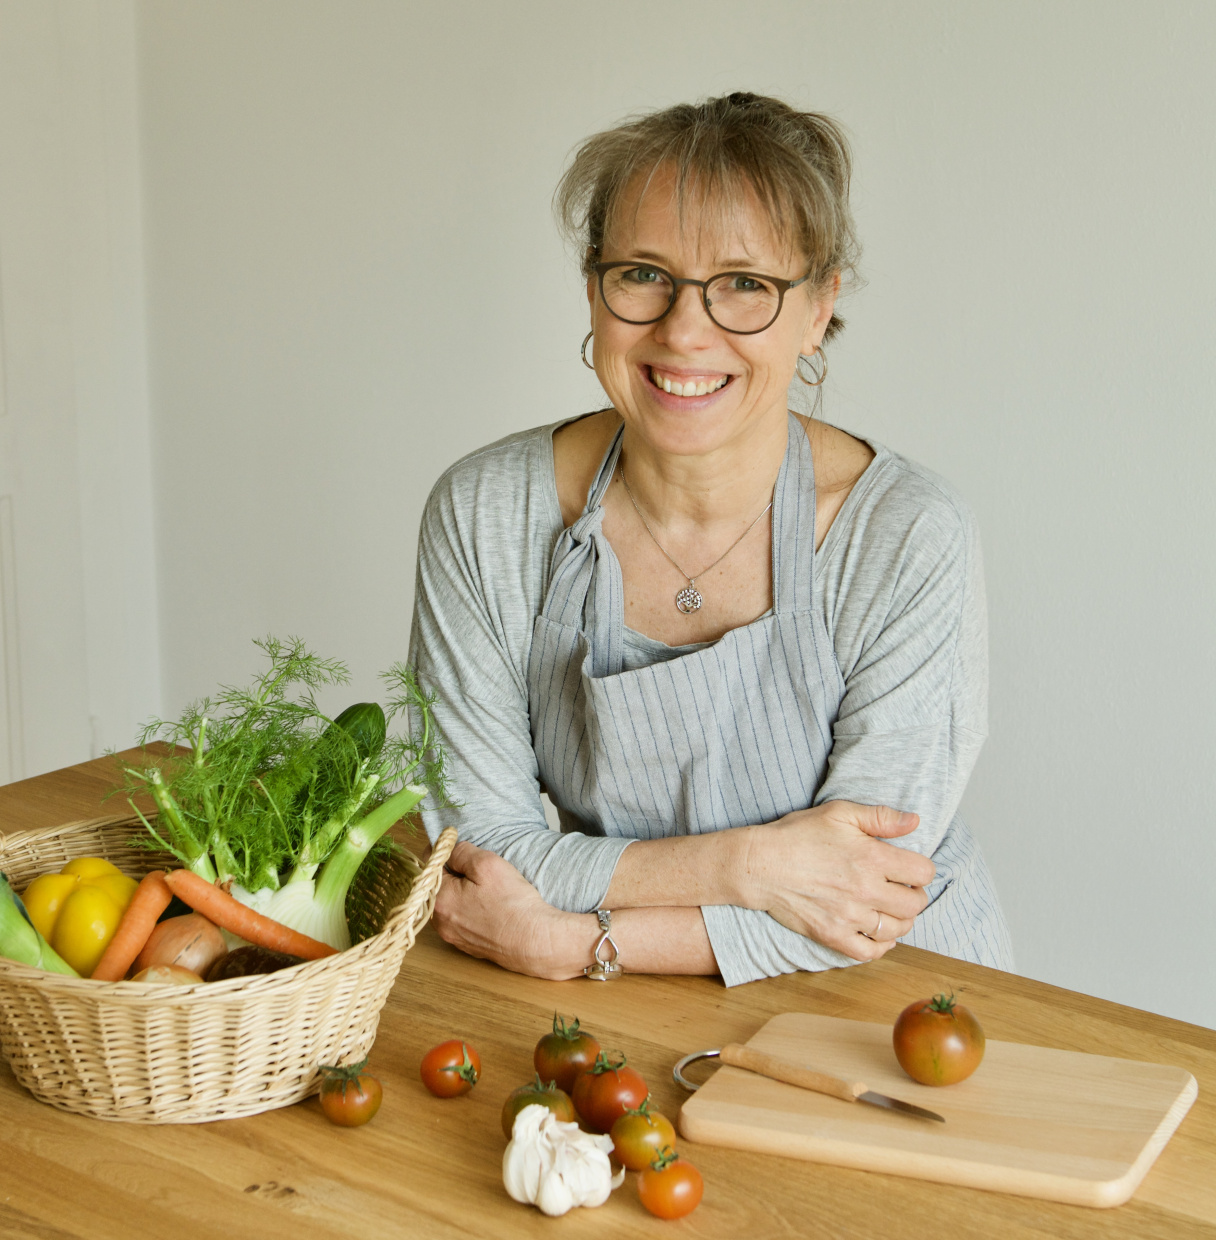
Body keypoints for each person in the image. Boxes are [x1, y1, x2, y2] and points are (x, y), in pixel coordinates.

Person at [409, 92, 1013, 986]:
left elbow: (866, 899)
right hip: (609, 1013)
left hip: (895, 999)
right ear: (594, 289)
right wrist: (749, 866)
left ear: (818, 309)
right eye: (644, 274)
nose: (685, 331)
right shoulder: (486, 511)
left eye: (744, 284)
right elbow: (482, 852)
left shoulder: (907, 534)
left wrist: (574, 942)